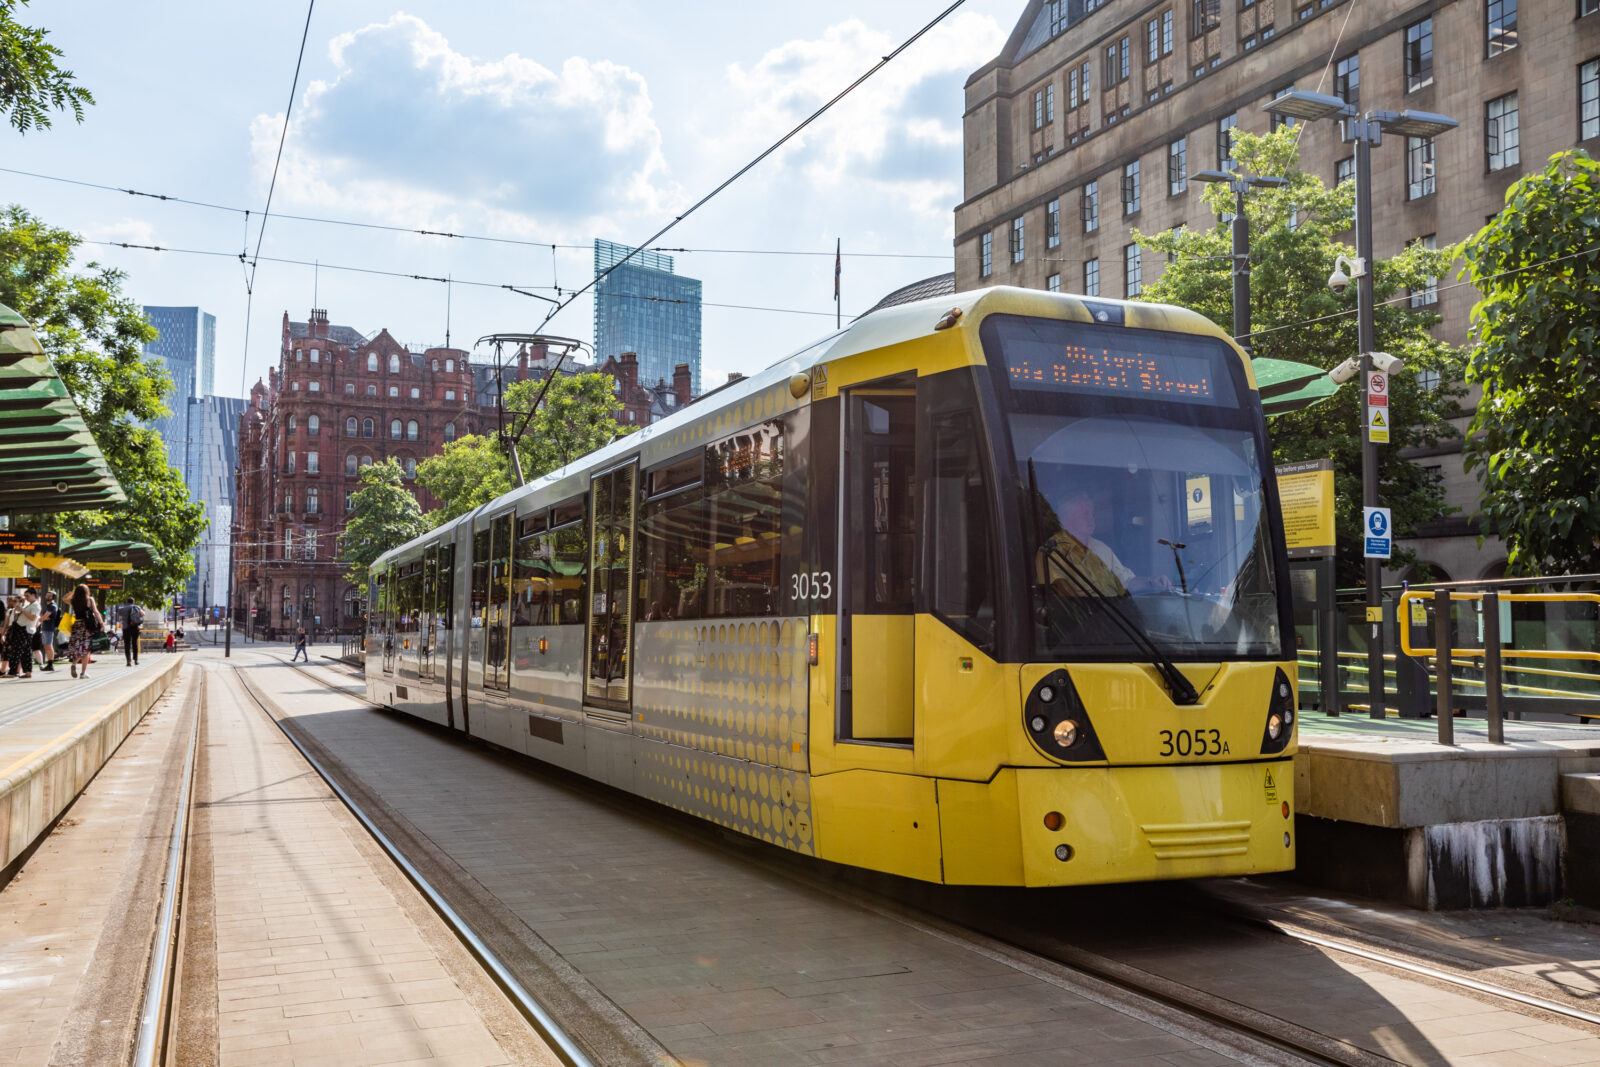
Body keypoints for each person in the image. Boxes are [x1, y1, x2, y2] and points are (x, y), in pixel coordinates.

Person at [1041, 490, 1170, 599]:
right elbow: (1058, 600)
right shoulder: (1052, 551)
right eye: (1085, 513)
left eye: (1092, 513)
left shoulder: (1100, 548)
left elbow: (1125, 581)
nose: (1091, 518)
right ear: (1066, 518)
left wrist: (1150, 582)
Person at [67, 583, 101, 679]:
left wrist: (73, 592)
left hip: (76, 625)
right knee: (85, 650)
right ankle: (83, 673)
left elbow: (64, 598)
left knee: (78, 648)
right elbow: (96, 612)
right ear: (87, 591)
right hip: (86, 626)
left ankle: (74, 663)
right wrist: (101, 623)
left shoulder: (73, 601)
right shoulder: (90, 600)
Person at [37, 590, 60, 672]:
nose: (47, 597)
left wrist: (42, 618)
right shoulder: (47, 606)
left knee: (49, 646)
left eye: (50, 595)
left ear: (53, 597)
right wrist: (43, 618)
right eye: (47, 595)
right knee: (46, 646)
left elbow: (42, 617)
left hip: (49, 628)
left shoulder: (52, 606)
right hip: (45, 627)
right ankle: (49, 664)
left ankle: (50, 664)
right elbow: (41, 616)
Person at [119, 597, 144, 666]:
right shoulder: (137, 607)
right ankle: (136, 660)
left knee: (127, 644)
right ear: (133, 602)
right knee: (134, 643)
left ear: (127, 602)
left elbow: (120, 614)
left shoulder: (123, 609)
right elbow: (143, 614)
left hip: (126, 628)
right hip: (135, 627)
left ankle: (128, 661)